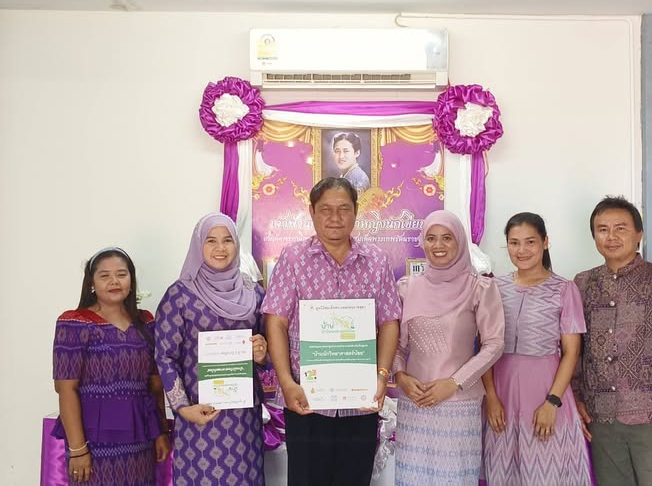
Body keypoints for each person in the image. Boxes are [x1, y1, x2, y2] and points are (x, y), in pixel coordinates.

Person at [263, 177, 402, 486]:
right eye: (325, 209)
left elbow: (389, 322)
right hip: (306, 400)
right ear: (312, 212)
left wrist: (381, 376)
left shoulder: (376, 261)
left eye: (343, 209)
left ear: (356, 212)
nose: (335, 217)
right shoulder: (293, 258)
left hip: (360, 400)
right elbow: (276, 322)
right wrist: (286, 382)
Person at [573, 196, 652, 486]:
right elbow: (575, 348)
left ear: (639, 234)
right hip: (600, 416)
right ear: (594, 236)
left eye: (621, 228)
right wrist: (576, 398)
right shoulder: (583, 283)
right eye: (602, 229)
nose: (611, 237)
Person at [154, 213, 268, 486]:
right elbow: (165, 357)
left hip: (243, 421)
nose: (220, 248)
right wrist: (182, 408)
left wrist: (263, 353)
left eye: (227, 240)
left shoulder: (254, 293)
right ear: (198, 246)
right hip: (199, 415)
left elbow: (270, 348)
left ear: (236, 245)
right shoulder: (179, 295)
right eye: (211, 240)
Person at [393, 210, 505, 485]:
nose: (438, 245)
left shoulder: (479, 288)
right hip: (414, 403)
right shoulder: (407, 287)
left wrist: (454, 383)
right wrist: (401, 377)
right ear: (423, 242)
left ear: (460, 242)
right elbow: (396, 344)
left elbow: (494, 344)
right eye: (431, 238)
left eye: (447, 238)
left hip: (459, 405)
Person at [481, 213, 592, 485]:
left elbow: (571, 352)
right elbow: (485, 348)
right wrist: (491, 397)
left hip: (546, 392)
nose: (522, 250)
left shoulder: (564, 289)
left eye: (530, 242)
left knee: (546, 470)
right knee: (503, 470)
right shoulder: (493, 288)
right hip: (502, 393)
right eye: (514, 243)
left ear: (545, 242)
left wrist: (552, 403)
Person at [52, 247, 171, 485]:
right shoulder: (74, 323)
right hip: (93, 442)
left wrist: (160, 432)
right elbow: (65, 389)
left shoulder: (146, 322)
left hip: (140, 442)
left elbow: (155, 386)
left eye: (121, 274)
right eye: (105, 276)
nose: (114, 281)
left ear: (131, 280)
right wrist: (78, 449)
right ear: (91, 283)